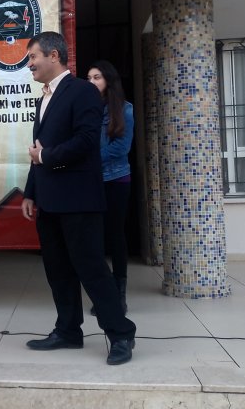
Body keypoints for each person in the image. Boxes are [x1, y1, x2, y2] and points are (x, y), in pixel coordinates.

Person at [20, 32, 137, 365]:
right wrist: (31, 192)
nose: (29, 64)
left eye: (33, 57)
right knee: (58, 270)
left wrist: (46, 157)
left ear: (54, 56)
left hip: (79, 199)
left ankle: (121, 334)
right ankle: (68, 330)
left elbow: (86, 142)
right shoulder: (43, 98)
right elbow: (37, 151)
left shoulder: (82, 91)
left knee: (91, 269)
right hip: (49, 200)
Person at [87, 61, 134, 315]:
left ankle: (119, 294)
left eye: (97, 77)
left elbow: (121, 148)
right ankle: (104, 294)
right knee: (95, 238)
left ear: (108, 81)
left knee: (115, 235)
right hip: (92, 181)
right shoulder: (87, 109)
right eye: (89, 78)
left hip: (116, 179)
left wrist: (88, 158)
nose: (92, 82)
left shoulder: (125, 109)